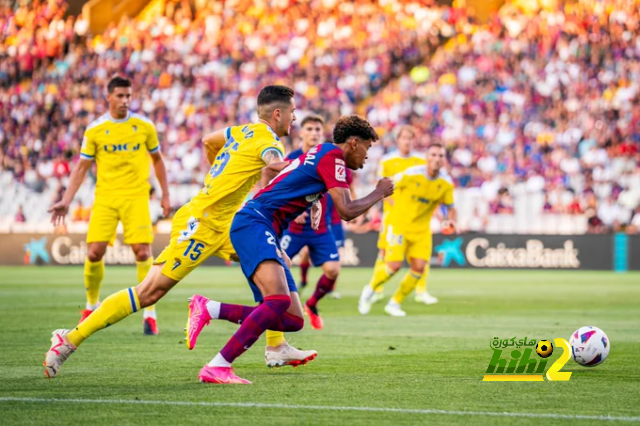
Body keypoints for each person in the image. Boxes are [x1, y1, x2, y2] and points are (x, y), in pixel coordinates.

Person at [43, 85, 315, 378]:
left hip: (228, 222)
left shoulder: (240, 131)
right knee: (149, 292)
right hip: (201, 224)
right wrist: (309, 170)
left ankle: (277, 346)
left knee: (276, 262)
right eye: (293, 111)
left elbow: (208, 141)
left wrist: (221, 178)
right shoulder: (268, 139)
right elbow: (275, 163)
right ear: (278, 113)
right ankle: (69, 340)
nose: (294, 118)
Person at [188, 115, 395, 384]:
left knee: (292, 319)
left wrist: (316, 198)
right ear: (353, 143)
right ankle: (218, 365)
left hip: (262, 227)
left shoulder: (320, 151)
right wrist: (379, 192)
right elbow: (346, 211)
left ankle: (211, 310)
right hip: (254, 222)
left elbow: (285, 170)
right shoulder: (333, 156)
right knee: (278, 301)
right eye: (367, 147)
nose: (367, 156)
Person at [48, 76, 171, 335]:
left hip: (136, 196)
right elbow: (81, 167)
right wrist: (66, 200)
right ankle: (91, 305)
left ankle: (149, 314)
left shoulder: (144, 126)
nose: (125, 100)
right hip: (105, 197)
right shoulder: (95, 129)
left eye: (128, 95)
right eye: (120, 96)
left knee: (142, 251)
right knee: (93, 252)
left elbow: (158, 160)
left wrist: (165, 194)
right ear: (108, 97)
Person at [358, 143, 456, 317]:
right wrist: (371, 207)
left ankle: (394, 303)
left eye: (441, 156)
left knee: (418, 268)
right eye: (433, 154)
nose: (437, 159)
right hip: (399, 225)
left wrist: (451, 221)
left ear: (444, 160)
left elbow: (450, 206)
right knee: (393, 266)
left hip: (422, 231)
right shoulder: (411, 174)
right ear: (427, 157)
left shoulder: (446, 183)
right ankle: (370, 289)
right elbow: (385, 184)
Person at [279, 114, 351, 330]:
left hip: (321, 228)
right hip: (294, 228)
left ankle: (311, 304)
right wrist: (293, 209)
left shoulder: (330, 158)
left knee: (333, 270)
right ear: (301, 132)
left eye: (317, 130)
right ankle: (280, 307)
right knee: (277, 267)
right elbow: (279, 188)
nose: (313, 133)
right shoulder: (291, 158)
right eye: (309, 129)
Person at [365, 126, 427, 304]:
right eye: (404, 138)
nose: (407, 141)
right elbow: (381, 189)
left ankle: (420, 290)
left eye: (410, 138)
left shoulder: (420, 161)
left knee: (419, 254)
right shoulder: (387, 161)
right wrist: (399, 207)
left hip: (415, 217)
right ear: (398, 140)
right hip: (393, 217)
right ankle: (376, 289)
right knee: (384, 252)